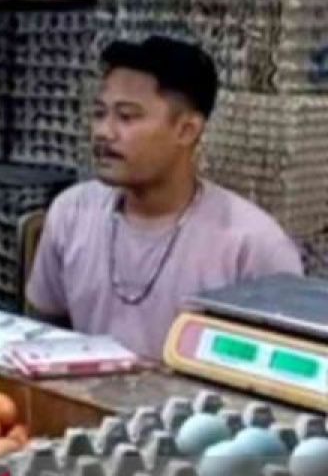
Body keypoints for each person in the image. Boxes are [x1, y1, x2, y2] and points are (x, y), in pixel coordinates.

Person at [28, 36, 303, 360]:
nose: (104, 132)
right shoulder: (72, 212)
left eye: (127, 117)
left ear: (186, 130)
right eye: (100, 113)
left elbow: (282, 370)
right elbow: (42, 330)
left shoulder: (252, 244)